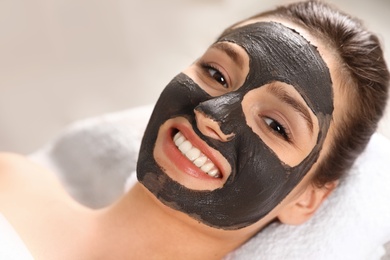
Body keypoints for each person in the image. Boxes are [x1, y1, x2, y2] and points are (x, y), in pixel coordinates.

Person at [0, 0, 389, 259]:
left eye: (275, 124)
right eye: (217, 73)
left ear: (308, 200)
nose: (213, 116)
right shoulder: (11, 182)